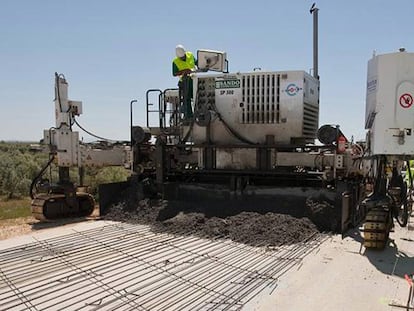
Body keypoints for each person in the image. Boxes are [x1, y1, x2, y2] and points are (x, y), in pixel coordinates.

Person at [172, 44, 197, 119]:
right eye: (181, 58)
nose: (182, 58)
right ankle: (189, 115)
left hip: (194, 79)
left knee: (197, 97)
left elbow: (197, 63)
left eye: (183, 57)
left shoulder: (190, 55)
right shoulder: (175, 61)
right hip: (184, 81)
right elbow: (174, 73)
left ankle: (199, 113)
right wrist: (184, 71)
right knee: (187, 98)